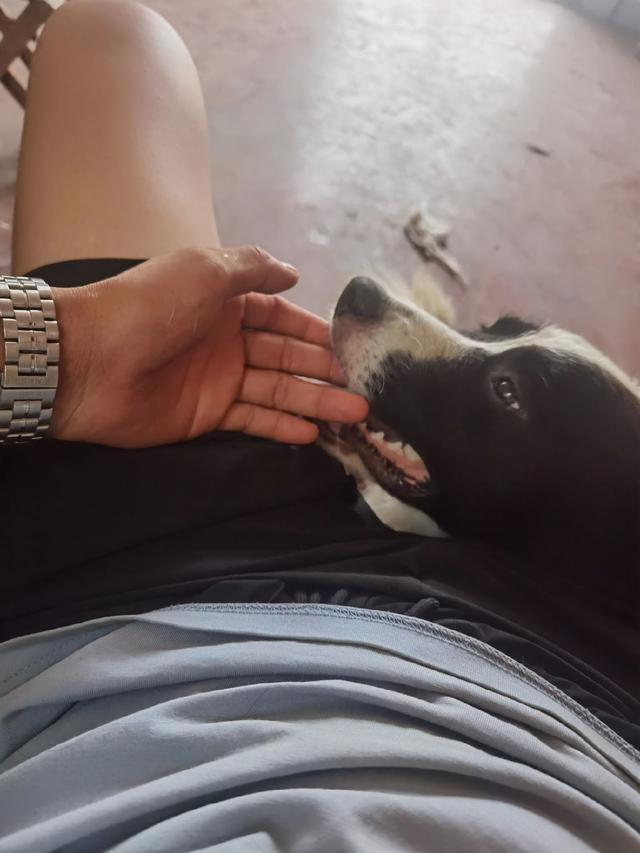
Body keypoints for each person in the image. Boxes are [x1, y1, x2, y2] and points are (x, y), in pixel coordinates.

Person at [0, 3, 638, 851]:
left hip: (131, 598)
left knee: (111, 37)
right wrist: (57, 352)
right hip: (543, 696)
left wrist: (57, 351)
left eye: (507, 389)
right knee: (113, 35)